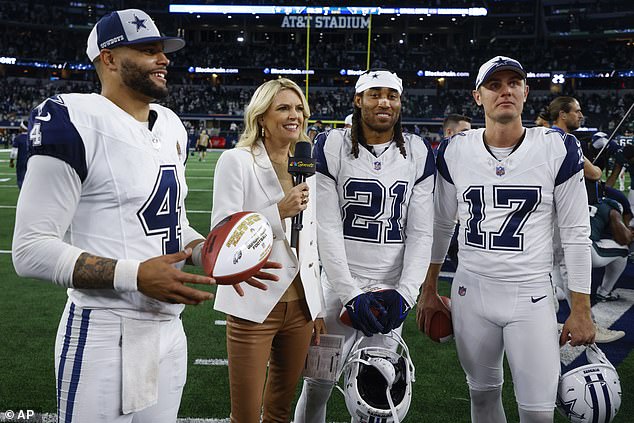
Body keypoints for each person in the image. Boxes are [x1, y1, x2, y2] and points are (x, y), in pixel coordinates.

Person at [11, 9, 276, 423]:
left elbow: (170, 224)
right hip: (103, 329)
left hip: (169, 332)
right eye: (147, 50)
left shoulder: (170, 125)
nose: (163, 59)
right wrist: (135, 275)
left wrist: (206, 251)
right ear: (109, 59)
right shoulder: (72, 119)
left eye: (163, 50)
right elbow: (29, 250)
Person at [419, 56, 595, 423]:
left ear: (526, 93)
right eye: (495, 85)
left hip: (531, 295)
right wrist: (429, 286)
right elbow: (441, 222)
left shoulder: (557, 148)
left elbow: (577, 233)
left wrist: (581, 308)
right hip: (471, 292)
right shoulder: (455, 149)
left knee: (537, 414)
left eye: (513, 83)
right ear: (478, 96)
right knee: (481, 398)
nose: (505, 91)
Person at [294, 69, 436, 422]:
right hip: (337, 288)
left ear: (400, 102)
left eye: (391, 95)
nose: (383, 101)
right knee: (317, 385)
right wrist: (349, 293)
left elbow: (421, 232)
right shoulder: (331, 144)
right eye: (374, 94)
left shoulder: (416, 150)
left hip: (391, 293)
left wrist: (406, 293)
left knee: (377, 397)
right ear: (358, 100)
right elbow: (325, 226)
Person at [210, 78, 325, 423]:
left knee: (280, 412)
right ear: (261, 117)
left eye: (299, 108)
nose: (295, 115)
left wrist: (316, 305)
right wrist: (278, 213)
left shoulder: (306, 165)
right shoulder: (237, 160)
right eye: (284, 108)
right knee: (245, 416)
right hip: (253, 303)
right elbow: (222, 235)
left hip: (301, 307)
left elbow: (312, 242)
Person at [9, 120, 28, 189]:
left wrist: (11, 161)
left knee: (20, 179)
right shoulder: (31, 138)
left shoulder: (18, 138)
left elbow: (14, 152)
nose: (19, 128)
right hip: (30, 161)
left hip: (21, 161)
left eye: (20, 126)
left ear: (23, 128)